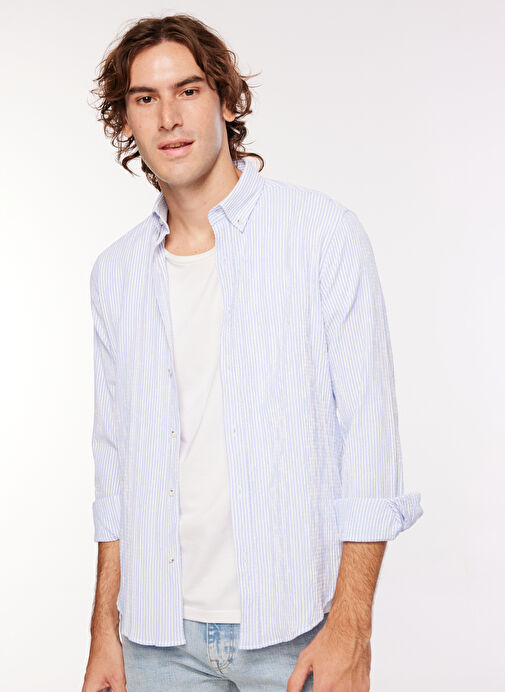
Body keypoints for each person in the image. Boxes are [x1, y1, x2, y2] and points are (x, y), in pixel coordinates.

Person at [82, 12, 423, 692]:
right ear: (125, 121)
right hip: (155, 642)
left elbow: (369, 440)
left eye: (188, 90)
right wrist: (103, 629)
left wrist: (352, 627)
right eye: (145, 99)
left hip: (296, 633)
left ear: (227, 100)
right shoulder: (115, 273)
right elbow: (116, 466)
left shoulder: (321, 235)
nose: (169, 118)